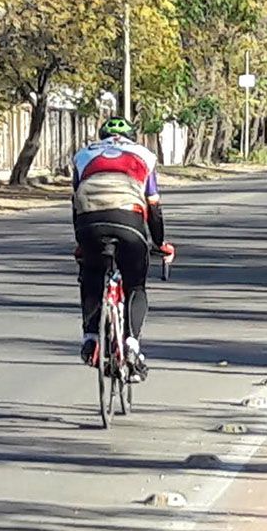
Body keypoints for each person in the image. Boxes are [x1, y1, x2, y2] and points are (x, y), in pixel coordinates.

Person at [71, 117, 175, 382]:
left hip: (89, 223)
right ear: (132, 136)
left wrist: (81, 244)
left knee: (92, 274)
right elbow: (153, 205)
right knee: (135, 285)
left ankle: (91, 337)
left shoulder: (83, 156)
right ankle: (131, 344)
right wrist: (160, 243)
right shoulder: (143, 155)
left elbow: (77, 201)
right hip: (129, 221)